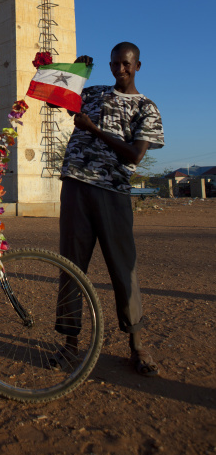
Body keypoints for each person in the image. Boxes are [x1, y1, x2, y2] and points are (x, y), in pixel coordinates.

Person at [55, 42, 164, 376]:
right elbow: (56, 97)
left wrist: (94, 130)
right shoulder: (93, 92)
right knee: (71, 265)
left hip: (112, 191)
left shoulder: (146, 107)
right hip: (75, 185)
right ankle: (70, 344)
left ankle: (137, 346)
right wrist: (74, 72)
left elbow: (134, 155)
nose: (120, 70)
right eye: (115, 64)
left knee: (123, 266)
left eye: (127, 65)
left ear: (138, 66)